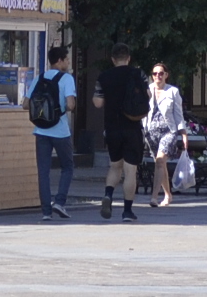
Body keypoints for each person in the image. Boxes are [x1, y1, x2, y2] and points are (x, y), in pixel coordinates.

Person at [92, 44, 150, 222]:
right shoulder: (138, 74)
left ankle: (108, 195)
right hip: (132, 126)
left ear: (112, 59)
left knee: (115, 165)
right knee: (130, 170)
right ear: (129, 58)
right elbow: (148, 94)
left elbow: (97, 103)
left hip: (112, 127)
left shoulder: (104, 77)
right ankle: (127, 211)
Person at [28, 45, 78, 220]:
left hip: (40, 130)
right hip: (60, 130)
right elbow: (70, 104)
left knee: (43, 171)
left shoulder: (39, 78)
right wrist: (63, 107)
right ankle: (60, 202)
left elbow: (25, 104)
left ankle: (46, 212)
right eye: (67, 59)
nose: (68, 62)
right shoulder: (67, 79)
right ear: (60, 60)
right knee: (67, 166)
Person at [144, 63, 187, 208]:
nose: (158, 76)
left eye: (161, 73)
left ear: (166, 75)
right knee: (160, 164)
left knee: (160, 161)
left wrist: (183, 134)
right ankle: (168, 195)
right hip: (150, 133)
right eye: (155, 74)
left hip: (168, 131)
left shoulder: (173, 91)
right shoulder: (148, 90)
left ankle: (154, 197)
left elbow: (178, 114)